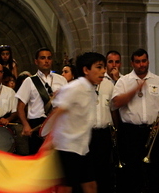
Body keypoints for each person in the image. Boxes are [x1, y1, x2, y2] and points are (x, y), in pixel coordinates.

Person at [41, 52, 107, 193]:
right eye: (99, 67)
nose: (103, 71)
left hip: (82, 147)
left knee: (90, 186)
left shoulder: (90, 88)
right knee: (66, 188)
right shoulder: (75, 87)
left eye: (103, 67)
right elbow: (58, 112)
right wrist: (49, 141)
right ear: (86, 70)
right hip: (67, 147)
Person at [112, 48, 159, 193]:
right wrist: (134, 90)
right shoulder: (124, 81)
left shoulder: (156, 80)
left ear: (148, 61)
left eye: (144, 61)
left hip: (153, 132)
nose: (141, 64)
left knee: (154, 172)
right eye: (137, 62)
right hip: (131, 133)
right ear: (132, 63)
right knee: (132, 172)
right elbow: (115, 103)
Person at [15, 47, 67, 155]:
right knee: (37, 157)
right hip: (36, 124)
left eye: (49, 58)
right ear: (36, 61)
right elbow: (20, 107)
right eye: (43, 58)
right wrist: (25, 125)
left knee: (56, 159)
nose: (46, 61)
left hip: (57, 123)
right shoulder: (29, 81)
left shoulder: (61, 79)